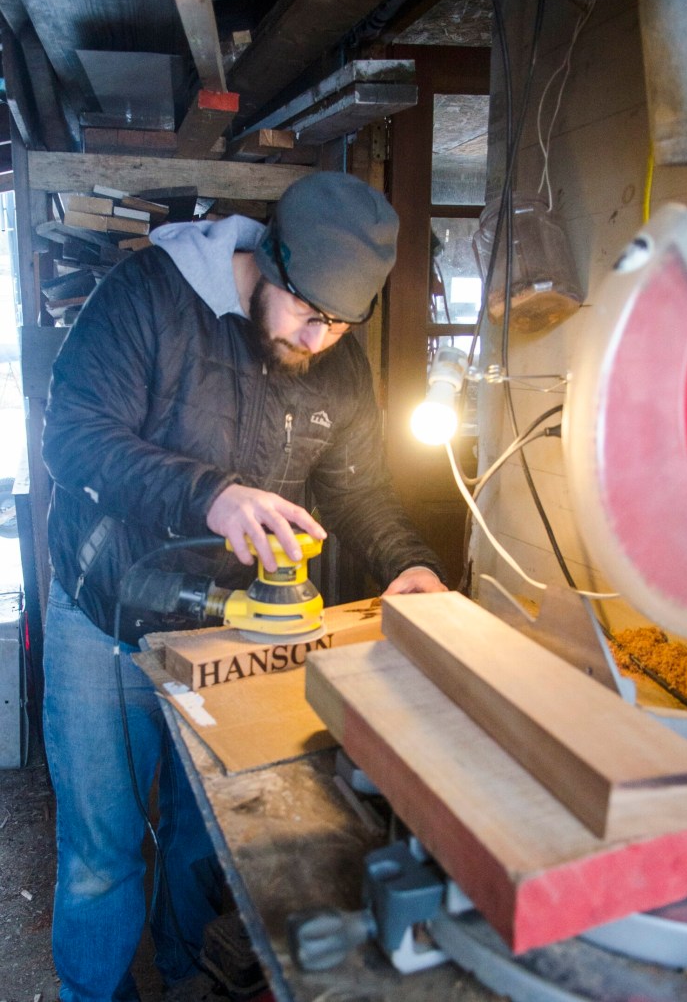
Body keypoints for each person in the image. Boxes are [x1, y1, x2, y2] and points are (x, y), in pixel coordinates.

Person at [41, 170, 448, 1001]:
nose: (318, 337)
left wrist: (408, 561)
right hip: (107, 610)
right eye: (307, 312)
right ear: (270, 258)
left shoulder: (334, 356)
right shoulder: (149, 296)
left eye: (340, 323)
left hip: (229, 629)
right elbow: (75, 439)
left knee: (204, 839)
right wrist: (210, 494)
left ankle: (187, 977)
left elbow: (357, 486)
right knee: (102, 851)